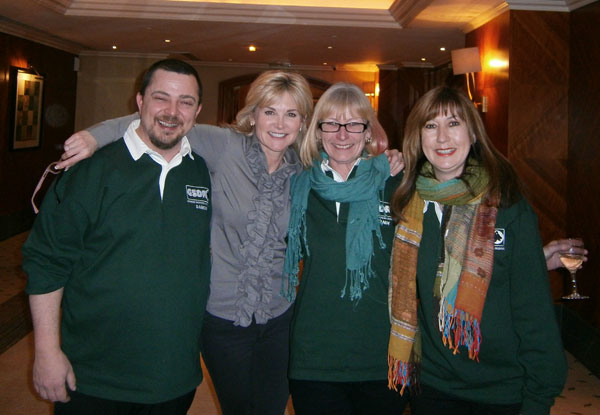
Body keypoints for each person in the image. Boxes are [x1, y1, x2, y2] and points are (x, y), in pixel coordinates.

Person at [56, 72, 404, 415]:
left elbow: (350, 152)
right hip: (223, 317)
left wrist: (386, 160)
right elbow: (162, 120)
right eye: (270, 111)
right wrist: (92, 136)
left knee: (270, 407)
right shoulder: (222, 146)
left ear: (303, 123)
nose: (279, 124)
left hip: (281, 317)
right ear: (253, 115)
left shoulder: (305, 168)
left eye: (291, 114)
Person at [22, 59, 212, 414]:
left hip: (175, 378)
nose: (172, 112)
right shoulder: (92, 171)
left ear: (197, 111)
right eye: (161, 98)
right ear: (139, 101)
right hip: (95, 378)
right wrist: (46, 351)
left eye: (185, 102)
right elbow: (46, 260)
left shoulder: (201, 171)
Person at [388, 86, 567, 414]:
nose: (442, 137)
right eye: (430, 126)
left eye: (453, 123)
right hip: (433, 387)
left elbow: (534, 312)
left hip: (502, 391)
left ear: (472, 132)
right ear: (418, 136)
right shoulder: (404, 204)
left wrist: (539, 398)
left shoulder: (509, 206)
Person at [281, 82, 409, 415]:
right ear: (318, 131)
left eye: (354, 123)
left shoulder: (396, 185)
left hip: (381, 352)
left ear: (368, 132)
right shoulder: (296, 188)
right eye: (331, 123)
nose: (342, 134)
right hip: (315, 354)